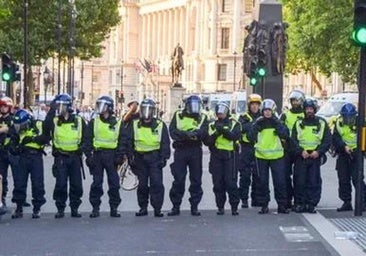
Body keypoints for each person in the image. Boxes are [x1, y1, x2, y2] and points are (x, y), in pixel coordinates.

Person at [42, 94, 89, 218]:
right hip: (61, 157)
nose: (60, 108)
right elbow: (45, 128)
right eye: (58, 106)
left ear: (68, 106)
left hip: (75, 157)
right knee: (61, 184)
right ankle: (60, 208)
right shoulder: (55, 120)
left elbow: (86, 137)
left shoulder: (78, 120)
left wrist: (82, 149)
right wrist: (51, 110)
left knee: (76, 185)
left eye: (62, 106)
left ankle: (74, 208)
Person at [124, 98, 170, 217]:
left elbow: (165, 143)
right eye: (144, 109)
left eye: (149, 110)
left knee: (157, 184)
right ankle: (143, 207)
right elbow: (129, 142)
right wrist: (130, 158)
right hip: (140, 158)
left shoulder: (160, 125)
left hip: (155, 158)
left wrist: (164, 158)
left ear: (153, 111)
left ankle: (157, 208)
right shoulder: (134, 124)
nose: (146, 112)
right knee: (142, 185)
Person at [167, 95, 208, 216]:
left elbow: (204, 132)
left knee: (196, 179)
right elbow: (173, 131)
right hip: (181, 149)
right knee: (179, 179)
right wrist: (185, 134)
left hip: (195, 149)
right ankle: (175, 206)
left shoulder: (203, 117)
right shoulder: (178, 115)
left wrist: (196, 134)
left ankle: (194, 206)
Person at [248, 99, 290, 214]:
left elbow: (285, 135)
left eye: (269, 110)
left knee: (280, 182)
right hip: (261, 156)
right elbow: (250, 137)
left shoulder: (278, 122)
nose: (267, 113)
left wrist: (277, 124)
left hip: (277, 156)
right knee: (262, 182)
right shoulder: (258, 122)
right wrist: (256, 126)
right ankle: (264, 205)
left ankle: (282, 205)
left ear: (273, 111)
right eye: (265, 110)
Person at [86, 96, 124, 218]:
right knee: (97, 183)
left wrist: (119, 156)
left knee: (114, 184)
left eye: (103, 106)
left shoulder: (118, 123)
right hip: (97, 155)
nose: (100, 108)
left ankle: (114, 207)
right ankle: (95, 208)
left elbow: (122, 141)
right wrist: (88, 155)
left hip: (111, 156)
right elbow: (87, 139)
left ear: (109, 108)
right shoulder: (94, 122)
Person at [292, 98, 331, 213]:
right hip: (302, 156)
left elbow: (327, 140)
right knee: (300, 181)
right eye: (307, 109)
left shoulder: (322, 123)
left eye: (311, 109)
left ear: (314, 110)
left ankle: (311, 204)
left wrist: (318, 152)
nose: (309, 111)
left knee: (314, 181)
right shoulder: (298, 123)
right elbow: (293, 139)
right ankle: (300, 203)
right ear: (304, 110)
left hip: (315, 156)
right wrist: (300, 151)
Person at [204, 101, 241, 215]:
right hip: (216, 156)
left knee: (231, 183)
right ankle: (220, 206)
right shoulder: (212, 125)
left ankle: (234, 206)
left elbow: (235, 136)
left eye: (222, 113)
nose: (220, 115)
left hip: (230, 156)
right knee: (218, 183)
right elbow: (208, 141)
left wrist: (224, 131)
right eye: (218, 113)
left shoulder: (234, 123)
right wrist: (216, 133)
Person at [10, 109, 46, 219]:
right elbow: (14, 142)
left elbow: (44, 138)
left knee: (37, 183)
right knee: (19, 183)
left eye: (21, 125)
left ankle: (37, 208)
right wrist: (15, 148)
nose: (19, 128)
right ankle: (19, 207)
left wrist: (31, 139)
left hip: (36, 156)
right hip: (23, 156)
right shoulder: (17, 128)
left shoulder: (38, 125)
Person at [332, 103, 366, 211]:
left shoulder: (361, 122)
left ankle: (363, 202)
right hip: (343, 153)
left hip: (357, 153)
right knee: (343, 179)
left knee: (358, 179)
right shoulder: (338, 123)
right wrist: (343, 147)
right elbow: (336, 138)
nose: (348, 119)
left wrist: (359, 150)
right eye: (345, 116)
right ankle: (346, 202)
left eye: (350, 117)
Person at [280, 89, 305, 208]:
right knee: (285, 176)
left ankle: (298, 200)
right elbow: (281, 129)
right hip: (287, 148)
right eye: (293, 101)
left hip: (300, 149)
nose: (295, 103)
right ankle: (288, 199)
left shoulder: (305, 114)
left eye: (297, 101)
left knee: (299, 176)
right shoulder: (285, 115)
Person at [237, 93, 262, 208]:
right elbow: (241, 128)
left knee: (258, 176)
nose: (255, 107)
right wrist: (253, 125)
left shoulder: (263, 117)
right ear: (249, 105)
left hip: (259, 148)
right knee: (245, 176)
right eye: (252, 104)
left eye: (257, 104)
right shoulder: (243, 117)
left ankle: (256, 200)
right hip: (246, 148)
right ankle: (244, 199)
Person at [0, 96, 14, 209]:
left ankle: (19, 201)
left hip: (13, 152)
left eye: (5, 106)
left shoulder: (14, 119)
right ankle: (2, 199)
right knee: (1, 178)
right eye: (1, 106)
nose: (3, 108)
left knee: (19, 178)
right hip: (2, 152)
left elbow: (13, 131)